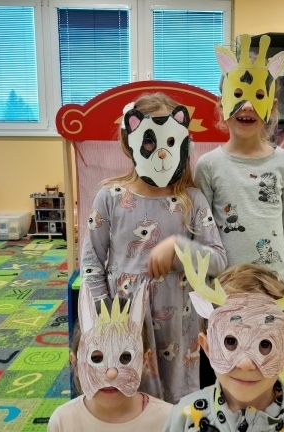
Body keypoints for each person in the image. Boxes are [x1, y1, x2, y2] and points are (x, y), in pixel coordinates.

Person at [80, 92, 227, 403]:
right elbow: (91, 263)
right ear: (129, 143)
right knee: (128, 393)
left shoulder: (192, 200)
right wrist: (105, 318)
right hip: (126, 320)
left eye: (171, 142)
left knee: (176, 402)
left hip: (179, 328)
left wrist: (179, 248)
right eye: (149, 142)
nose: (161, 153)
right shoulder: (110, 197)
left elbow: (218, 260)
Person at [158, 245, 284, 432]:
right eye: (230, 342)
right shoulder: (183, 417)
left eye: (265, 344)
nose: (246, 363)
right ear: (207, 347)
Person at [194, 34, 284, 288]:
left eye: (257, 96)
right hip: (225, 287)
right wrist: (204, 292)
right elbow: (202, 236)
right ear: (222, 105)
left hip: (273, 286)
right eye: (238, 95)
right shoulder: (208, 165)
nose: (247, 106)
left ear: (272, 106)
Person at [46, 283, 172, 432]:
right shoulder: (62, 422)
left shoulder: (169, 420)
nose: (111, 373)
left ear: (144, 361)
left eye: (125, 357)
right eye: (96, 358)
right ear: (75, 364)